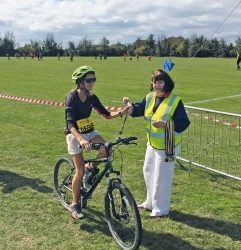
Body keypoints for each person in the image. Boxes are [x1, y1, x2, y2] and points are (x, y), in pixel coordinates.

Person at [122, 69, 190, 218]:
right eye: (155, 82)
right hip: (152, 144)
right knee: (148, 172)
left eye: (160, 82)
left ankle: (161, 209)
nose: (157, 85)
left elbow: (184, 123)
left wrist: (165, 124)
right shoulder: (150, 97)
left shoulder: (175, 100)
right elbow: (139, 109)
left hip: (167, 145)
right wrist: (130, 107)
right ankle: (150, 202)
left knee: (161, 177)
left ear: (166, 83)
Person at [64, 66, 129, 219]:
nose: (91, 83)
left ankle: (90, 168)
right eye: (88, 80)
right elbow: (70, 124)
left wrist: (121, 112)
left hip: (89, 131)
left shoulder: (92, 97)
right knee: (79, 170)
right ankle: (74, 204)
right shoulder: (71, 97)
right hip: (74, 135)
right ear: (80, 82)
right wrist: (81, 139)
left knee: (107, 149)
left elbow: (106, 114)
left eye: (93, 80)